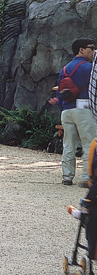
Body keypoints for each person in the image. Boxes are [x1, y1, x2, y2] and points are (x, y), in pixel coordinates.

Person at [49, 38, 96, 187]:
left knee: (69, 144)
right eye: (91, 48)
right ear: (81, 50)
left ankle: (67, 177)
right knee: (90, 143)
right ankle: (86, 177)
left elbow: (60, 95)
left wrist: (61, 108)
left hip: (67, 111)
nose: (94, 51)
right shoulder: (90, 68)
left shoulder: (65, 68)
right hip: (84, 110)